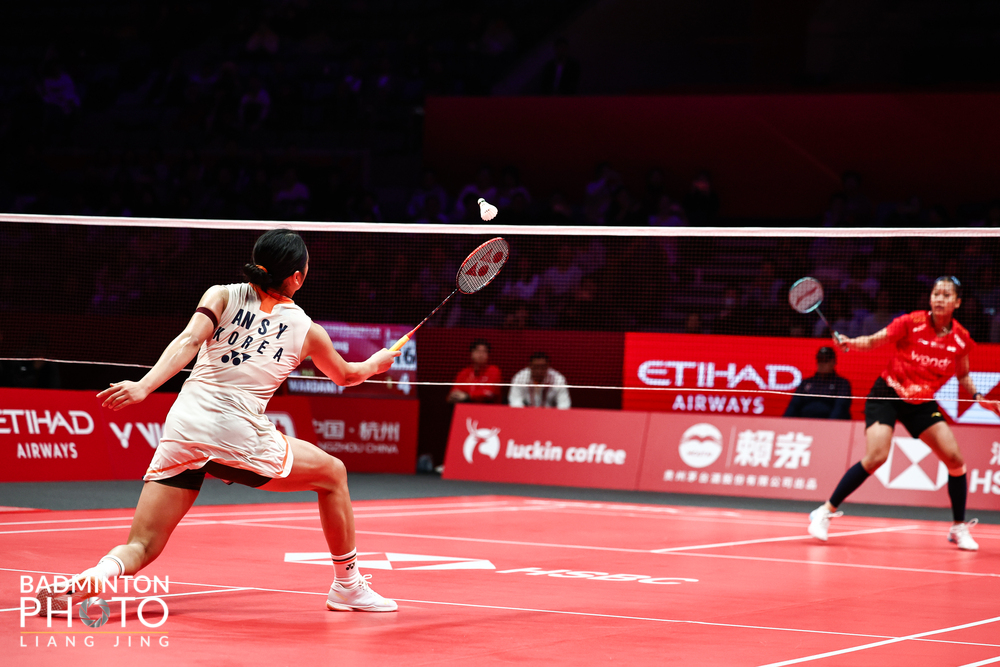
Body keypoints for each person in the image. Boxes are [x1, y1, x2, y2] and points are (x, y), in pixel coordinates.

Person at [37, 229, 400, 614]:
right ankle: (348, 586)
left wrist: (145, 387)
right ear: (297, 277)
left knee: (142, 545)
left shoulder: (221, 295)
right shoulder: (307, 331)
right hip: (235, 433)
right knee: (333, 474)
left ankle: (92, 576)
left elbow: (189, 340)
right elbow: (346, 376)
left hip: (184, 426)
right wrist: (374, 364)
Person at [808, 277, 1000, 550]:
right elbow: (874, 341)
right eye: (936, 293)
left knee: (955, 460)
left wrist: (980, 398)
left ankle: (959, 527)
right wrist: (851, 342)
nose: (939, 299)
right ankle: (824, 511)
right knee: (877, 456)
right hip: (888, 393)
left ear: (957, 303)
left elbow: (963, 375)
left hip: (921, 402)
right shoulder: (911, 322)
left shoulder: (961, 339)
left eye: (946, 295)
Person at [783, 347, 852, 420]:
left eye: (826, 361)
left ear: (833, 362)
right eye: (820, 360)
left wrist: (829, 424)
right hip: (804, 422)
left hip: (830, 423)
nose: (822, 364)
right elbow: (793, 406)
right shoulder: (806, 383)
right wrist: (784, 422)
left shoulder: (842, 384)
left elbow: (840, 408)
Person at [447, 338, 502, 404]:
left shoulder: (494, 371)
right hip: (465, 408)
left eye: (484, 351)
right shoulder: (464, 373)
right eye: (477, 351)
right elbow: (453, 393)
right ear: (471, 353)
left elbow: (489, 393)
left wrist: (467, 396)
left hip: (487, 408)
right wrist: (455, 396)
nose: (481, 354)